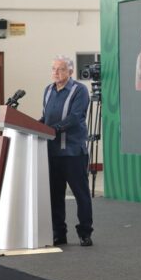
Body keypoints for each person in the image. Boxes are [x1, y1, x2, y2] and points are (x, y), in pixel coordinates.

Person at [41, 56, 93, 247]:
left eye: (61, 69)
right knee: (55, 195)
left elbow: (75, 117)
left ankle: (85, 232)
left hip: (73, 153)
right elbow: (45, 117)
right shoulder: (48, 90)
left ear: (70, 72)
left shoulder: (79, 90)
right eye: (53, 68)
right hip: (52, 152)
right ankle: (59, 234)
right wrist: (33, 126)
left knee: (81, 194)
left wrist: (51, 129)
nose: (56, 72)